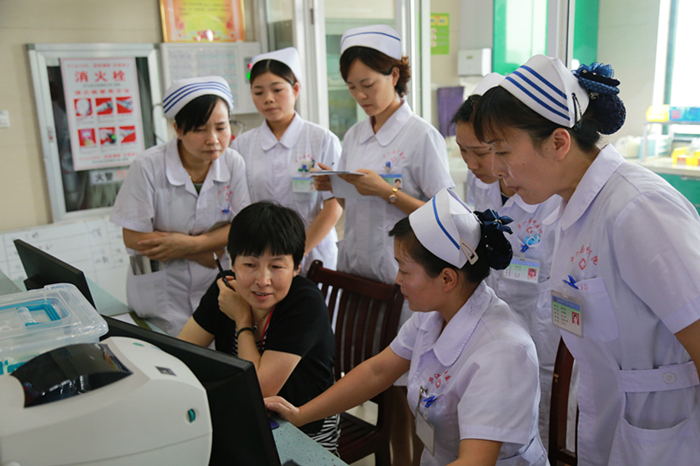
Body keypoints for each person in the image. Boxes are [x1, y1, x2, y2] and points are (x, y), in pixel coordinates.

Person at [472, 54, 700, 465]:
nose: (495, 169)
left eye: (502, 151)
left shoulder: (637, 208)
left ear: (559, 142)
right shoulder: (574, 209)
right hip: (614, 413)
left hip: (668, 430)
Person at [266, 187, 548, 466]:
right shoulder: (435, 314)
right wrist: (301, 414)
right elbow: (378, 371)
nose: (397, 279)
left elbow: (476, 461)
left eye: (404, 270)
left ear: (447, 279)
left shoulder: (503, 352)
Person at [314, 25, 455, 463]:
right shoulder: (355, 136)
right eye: (352, 87)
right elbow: (346, 201)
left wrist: (388, 192)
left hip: (403, 288)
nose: (361, 95)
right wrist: (333, 184)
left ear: (394, 75)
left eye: (368, 84)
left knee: (403, 396)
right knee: (368, 383)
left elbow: (446, 213)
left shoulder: (421, 136)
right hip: (360, 284)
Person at [452, 73, 561, 447]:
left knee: (544, 418)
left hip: (543, 323)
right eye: (462, 151)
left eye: (481, 152)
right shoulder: (479, 181)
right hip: (496, 315)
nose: (472, 163)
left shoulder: (548, 191)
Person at [178, 201, 339, 452]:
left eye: (276, 266)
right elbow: (181, 353)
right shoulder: (226, 289)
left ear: (296, 267)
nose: (263, 280)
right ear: (232, 263)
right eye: (250, 265)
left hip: (303, 433)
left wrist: (242, 319)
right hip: (241, 419)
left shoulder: (305, 303)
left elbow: (259, 390)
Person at [110, 76, 250, 335]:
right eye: (200, 129)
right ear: (178, 129)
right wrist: (202, 251)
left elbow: (241, 227)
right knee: (164, 351)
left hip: (213, 283)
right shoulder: (148, 166)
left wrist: (190, 245)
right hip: (162, 292)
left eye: (221, 127)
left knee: (214, 348)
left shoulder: (233, 163)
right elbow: (133, 237)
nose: (213, 139)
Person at [231, 47, 342, 275]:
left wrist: (296, 254)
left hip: (314, 255)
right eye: (258, 92)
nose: (268, 99)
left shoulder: (321, 139)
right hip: (261, 258)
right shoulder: (242, 145)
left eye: (277, 90)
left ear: (296, 89)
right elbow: (240, 206)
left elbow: (334, 205)